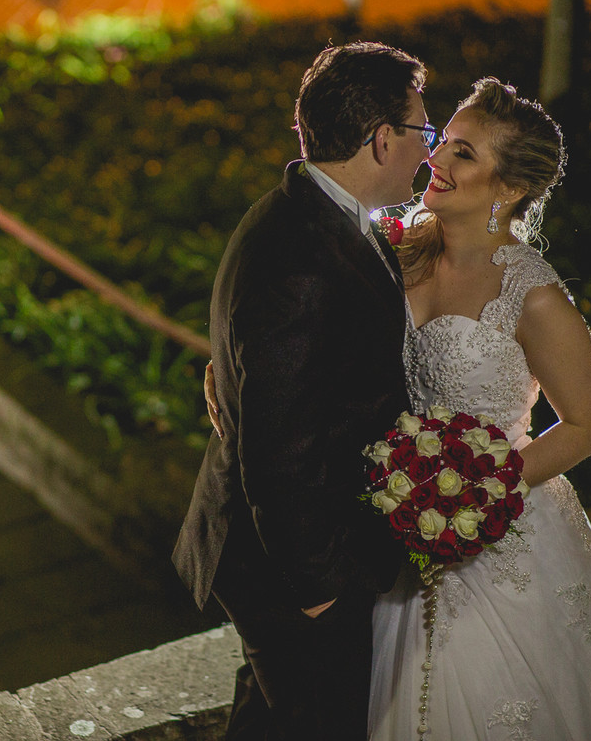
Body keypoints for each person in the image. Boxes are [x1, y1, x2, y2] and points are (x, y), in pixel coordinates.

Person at [206, 78, 591, 739]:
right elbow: (296, 329)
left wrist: (483, 492)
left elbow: (587, 426)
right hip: (389, 536)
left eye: (462, 154)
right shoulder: (390, 247)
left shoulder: (534, 297)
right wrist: (229, 377)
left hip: (497, 533)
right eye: (442, 144)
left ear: (507, 189)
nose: (435, 162)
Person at [171, 41, 432, 739]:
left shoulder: (307, 212)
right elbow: (278, 443)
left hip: (299, 543)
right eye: (422, 133)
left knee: (277, 717)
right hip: (289, 557)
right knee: (323, 720)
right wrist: (317, 585)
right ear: (383, 141)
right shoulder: (300, 256)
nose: (427, 153)